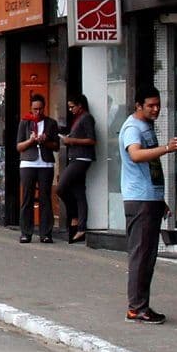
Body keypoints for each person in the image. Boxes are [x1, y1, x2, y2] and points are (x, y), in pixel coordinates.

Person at [121, 89, 177, 324]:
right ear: (139, 105)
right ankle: (136, 308)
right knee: (141, 255)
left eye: (158, 105)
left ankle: (141, 305)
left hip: (150, 198)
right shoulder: (132, 128)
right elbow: (136, 156)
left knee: (147, 256)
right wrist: (167, 148)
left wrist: (160, 198)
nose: (155, 109)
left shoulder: (146, 127)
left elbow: (151, 167)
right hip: (139, 199)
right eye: (150, 105)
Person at [14, 94, 62, 244]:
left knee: (45, 198)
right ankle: (26, 232)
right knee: (27, 197)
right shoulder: (24, 123)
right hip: (28, 163)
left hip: (45, 163)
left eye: (40, 109)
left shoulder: (51, 123)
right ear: (31, 108)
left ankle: (46, 233)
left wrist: (45, 141)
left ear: (44, 108)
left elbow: (56, 146)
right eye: (35, 109)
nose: (38, 112)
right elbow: (19, 146)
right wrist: (30, 140)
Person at [56, 93, 99, 243]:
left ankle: (74, 216)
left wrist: (71, 140)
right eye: (69, 107)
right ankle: (81, 228)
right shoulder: (78, 119)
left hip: (81, 158)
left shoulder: (86, 118)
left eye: (72, 106)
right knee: (79, 192)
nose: (70, 109)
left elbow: (92, 139)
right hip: (75, 157)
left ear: (80, 105)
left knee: (61, 188)